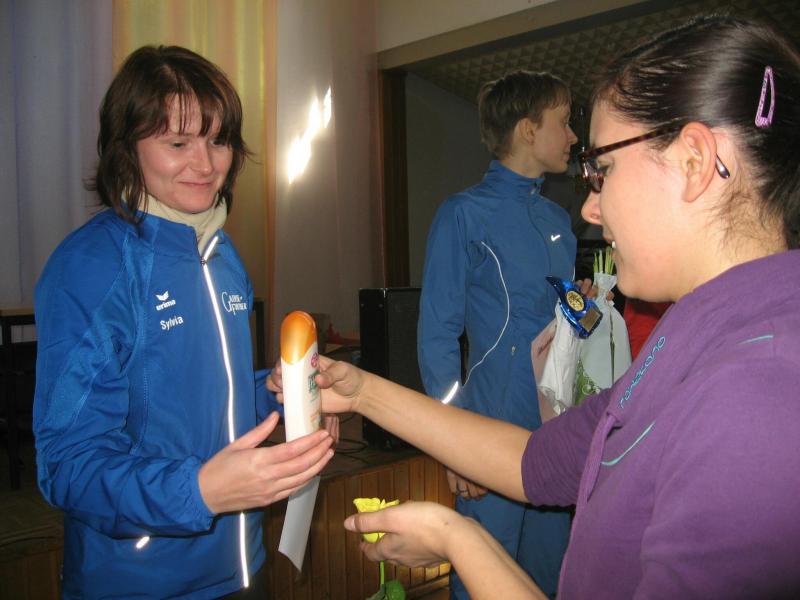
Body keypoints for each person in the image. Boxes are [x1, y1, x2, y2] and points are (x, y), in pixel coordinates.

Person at [314, 16, 800, 599]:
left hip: (545, 404)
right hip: (502, 410)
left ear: (694, 162)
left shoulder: (757, 388)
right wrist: (364, 392)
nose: (590, 207)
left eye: (603, 168)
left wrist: (456, 540)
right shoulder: (688, 339)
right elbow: (533, 459)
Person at [33, 46, 334, 599]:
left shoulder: (221, 254)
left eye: (218, 141)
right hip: (144, 582)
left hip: (243, 566)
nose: (206, 164)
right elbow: (67, 466)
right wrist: (198, 491)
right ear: (126, 148)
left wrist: (277, 394)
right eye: (177, 143)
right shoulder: (91, 267)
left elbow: (206, 402)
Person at [416, 70, 578, 598]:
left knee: (549, 581)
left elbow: (561, 329)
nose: (573, 136)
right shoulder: (463, 215)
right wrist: (455, 444)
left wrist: (589, 311)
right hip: (488, 433)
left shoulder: (558, 221)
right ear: (528, 130)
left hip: (552, 436)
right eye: (564, 122)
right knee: (484, 581)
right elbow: (437, 338)